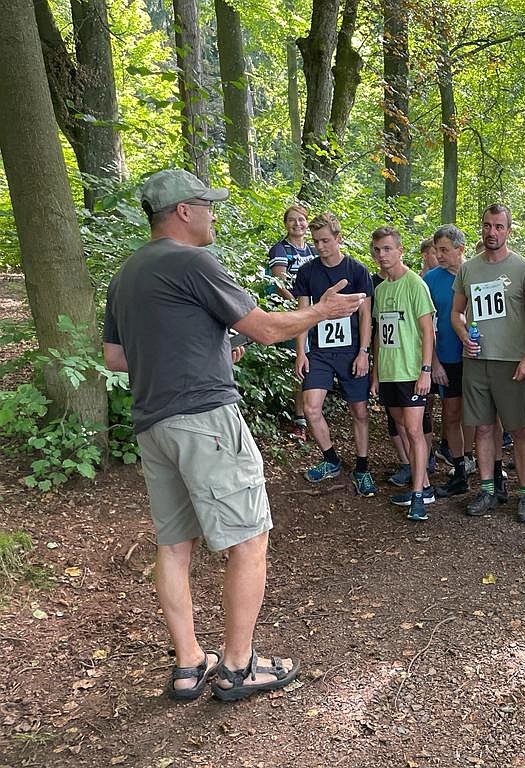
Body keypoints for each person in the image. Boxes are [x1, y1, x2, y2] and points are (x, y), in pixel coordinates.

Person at [102, 169, 365, 701]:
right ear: (183, 211)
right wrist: (322, 311)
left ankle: (188, 664)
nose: (213, 214)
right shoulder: (192, 262)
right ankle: (239, 667)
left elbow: (116, 357)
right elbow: (264, 328)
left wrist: (207, 350)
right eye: (207, 205)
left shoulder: (127, 274)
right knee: (249, 538)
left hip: (154, 425)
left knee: (174, 545)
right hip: (205, 421)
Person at [451, 204, 525, 523]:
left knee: (519, 430)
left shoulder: (524, 269)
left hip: (511, 363)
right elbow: (456, 313)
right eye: (487, 225)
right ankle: (487, 489)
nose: (492, 232)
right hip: (476, 361)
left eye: (499, 226)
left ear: (509, 231)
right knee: (483, 428)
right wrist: (464, 335)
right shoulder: (469, 269)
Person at [293, 213, 376, 495]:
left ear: (338, 238)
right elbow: (302, 315)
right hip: (319, 352)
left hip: (351, 351)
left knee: (359, 410)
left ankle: (362, 467)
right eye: (316, 241)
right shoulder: (307, 272)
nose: (320, 246)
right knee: (311, 408)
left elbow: (366, 316)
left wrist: (363, 352)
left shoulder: (357, 271)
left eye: (325, 240)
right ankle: (331, 460)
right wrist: (301, 352)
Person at [369, 226, 436, 521]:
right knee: (401, 426)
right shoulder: (381, 289)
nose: (382, 255)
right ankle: (424, 485)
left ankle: (418, 495)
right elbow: (378, 336)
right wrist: (375, 374)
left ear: (400, 250)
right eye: (377, 250)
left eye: (387, 249)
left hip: (411, 370)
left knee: (414, 430)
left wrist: (426, 370)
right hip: (389, 371)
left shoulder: (415, 284)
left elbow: (427, 331)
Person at [425, 224, 474, 498]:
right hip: (447, 357)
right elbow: (425, 326)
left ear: (460, 249)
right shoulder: (431, 279)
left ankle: (479, 463)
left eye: (444, 250)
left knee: (480, 414)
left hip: (479, 356)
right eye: (436, 250)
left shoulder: (478, 272)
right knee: (452, 413)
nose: (439, 255)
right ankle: (459, 469)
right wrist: (434, 362)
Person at [266, 205, 317, 440]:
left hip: (316, 313)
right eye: (292, 220)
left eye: (302, 219)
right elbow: (280, 284)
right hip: (294, 315)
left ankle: (313, 412)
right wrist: (299, 308)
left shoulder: (313, 249)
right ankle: (299, 418)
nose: (297, 224)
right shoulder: (280, 249)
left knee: (316, 361)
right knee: (301, 362)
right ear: (285, 224)